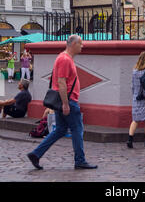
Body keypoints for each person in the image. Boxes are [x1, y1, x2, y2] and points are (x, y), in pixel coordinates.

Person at [27, 34, 97, 171]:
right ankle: (80, 160)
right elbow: (61, 82)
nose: (82, 46)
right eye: (80, 44)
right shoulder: (65, 59)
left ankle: (36, 154)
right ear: (73, 44)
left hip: (64, 100)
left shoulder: (62, 57)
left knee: (60, 130)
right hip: (68, 101)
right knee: (77, 129)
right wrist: (65, 103)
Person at [127, 51, 145, 149]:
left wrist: (135, 94)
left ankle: (130, 139)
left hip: (137, 97)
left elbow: (132, 85)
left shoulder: (134, 70)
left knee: (135, 120)